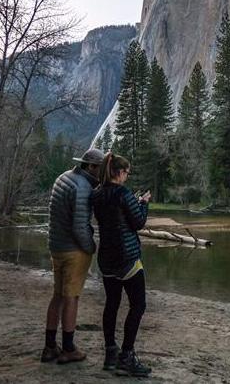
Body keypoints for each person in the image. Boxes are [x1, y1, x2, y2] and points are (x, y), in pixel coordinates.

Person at [40, 147, 105, 364]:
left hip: (56, 246)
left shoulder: (63, 177)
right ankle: (68, 348)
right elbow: (79, 227)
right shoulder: (83, 188)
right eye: (100, 169)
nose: (102, 173)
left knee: (57, 295)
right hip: (73, 251)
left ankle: (50, 347)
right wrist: (91, 247)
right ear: (92, 167)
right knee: (72, 298)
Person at [91, 152, 152, 377]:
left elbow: (113, 216)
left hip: (106, 259)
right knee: (138, 305)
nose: (127, 176)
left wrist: (132, 203)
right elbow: (138, 223)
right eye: (126, 172)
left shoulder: (96, 194)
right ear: (118, 172)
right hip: (127, 258)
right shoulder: (123, 193)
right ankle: (127, 356)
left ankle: (110, 354)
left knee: (112, 304)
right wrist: (144, 204)